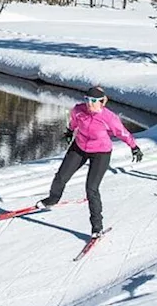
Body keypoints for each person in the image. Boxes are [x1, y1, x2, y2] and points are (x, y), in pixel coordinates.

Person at [36, 86, 141, 238]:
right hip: (79, 147)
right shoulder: (78, 110)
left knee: (91, 188)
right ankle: (52, 199)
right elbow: (73, 122)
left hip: (101, 153)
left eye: (93, 101)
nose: (89, 104)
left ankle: (97, 227)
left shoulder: (109, 118)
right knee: (61, 176)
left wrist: (134, 147)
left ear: (101, 102)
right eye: (86, 99)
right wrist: (70, 131)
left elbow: (122, 133)